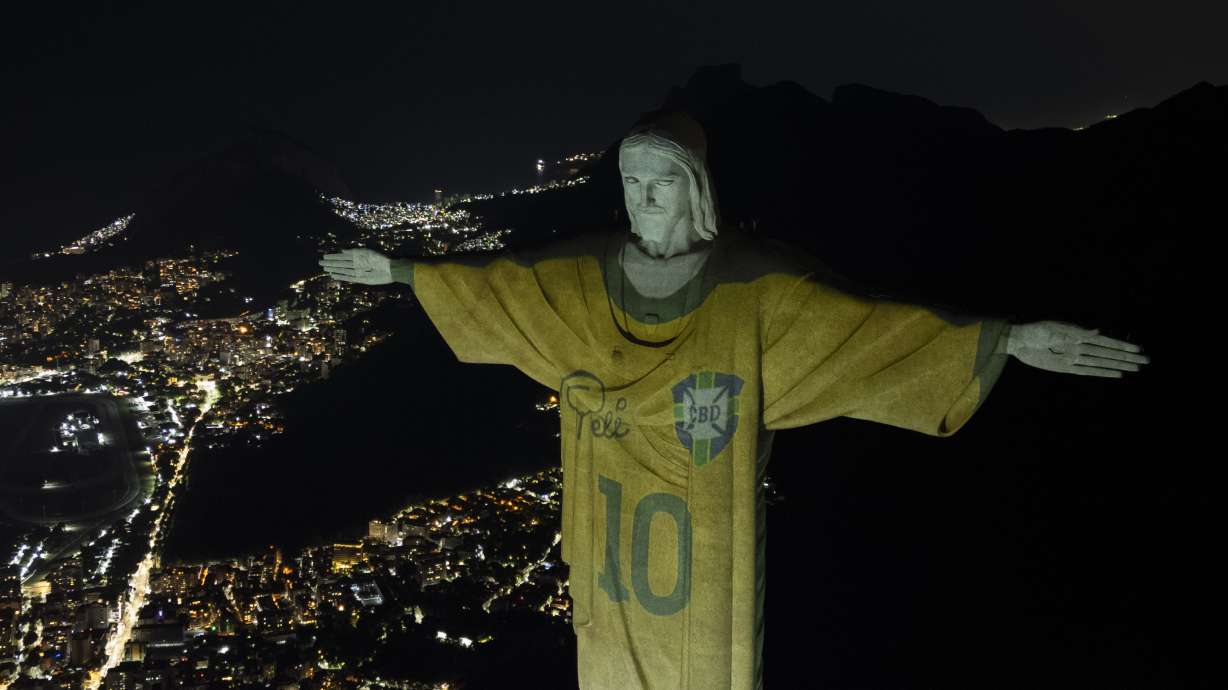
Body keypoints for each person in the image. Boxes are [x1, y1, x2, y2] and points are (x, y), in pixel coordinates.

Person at [319, 110, 1148, 689]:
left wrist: (1001, 339)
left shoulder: (755, 291)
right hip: (611, 554)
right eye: (631, 181)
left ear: (695, 190)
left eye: (660, 184)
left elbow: (868, 331)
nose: (642, 200)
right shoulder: (585, 280)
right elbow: (505, 291)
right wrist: (399, 272)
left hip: (701, 555)